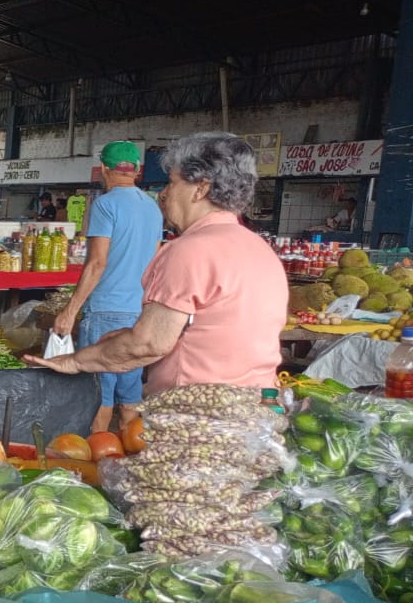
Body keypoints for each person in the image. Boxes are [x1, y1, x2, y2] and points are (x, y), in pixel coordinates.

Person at [26, 132, 287, 395]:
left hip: (194, 407)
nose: (164, 194)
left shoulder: (190, 250)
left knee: (101, 395)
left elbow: (149, 344)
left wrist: (75, 361)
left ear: (201, 189)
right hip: (254, 403)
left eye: (172, 182)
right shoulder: (261, 250)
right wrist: (128, 336)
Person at [50, 141, 163, 434]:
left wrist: (69, 311)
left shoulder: (105, 204)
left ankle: (97, 455)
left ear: (103, 169)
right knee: (130, 396)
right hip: (138, 312)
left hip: (105, 311)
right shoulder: (153, 208)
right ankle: (129, 452)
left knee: (99, 395)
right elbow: (155, 263)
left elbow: (97, 264)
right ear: (136, 170)